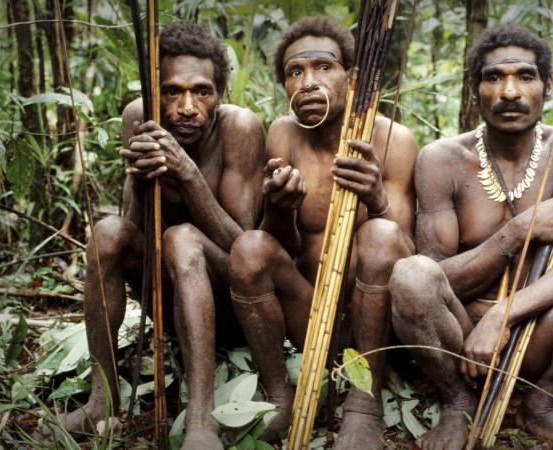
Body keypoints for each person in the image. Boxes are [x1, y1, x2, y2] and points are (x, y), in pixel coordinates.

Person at [388, 25, 553, 450]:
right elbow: (435, 276)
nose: (510, 91)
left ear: (546, 86)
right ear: (475, 89)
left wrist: (504, 314)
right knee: (411, 275)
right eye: (494, 77)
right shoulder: (443, 160)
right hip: (461, 339)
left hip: (539, 331)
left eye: (525, 76)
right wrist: (515, 232)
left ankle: (541, 406)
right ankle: (458, 404)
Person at [53, 22, 265, 450]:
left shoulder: (239, 129)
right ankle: (103, 399)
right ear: (155, 91)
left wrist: (186, 173)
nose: (188, 106)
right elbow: (131, 233)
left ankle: (201, 420)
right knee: (109, 231)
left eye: (202, 91)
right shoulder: (139, 117)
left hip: (230, 302)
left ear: (220, 94)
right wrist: (138, 179)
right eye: (172, 91)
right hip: (167, 299)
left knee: (183, 237)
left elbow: (244, 250)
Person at [226, 16, 417, 449]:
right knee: (250, 246)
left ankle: (363, 400)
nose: (309, 82)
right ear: (285, 86)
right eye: (296, 72)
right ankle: (280, 397)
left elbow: (407, 256)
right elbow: (284, 247)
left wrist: (377, 200)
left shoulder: (393, 140)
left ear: (351, 79)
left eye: (322, 67)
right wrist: (279, 210)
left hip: (373, 324)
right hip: (308, 316)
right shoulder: (282, 134)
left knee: (380, 234)